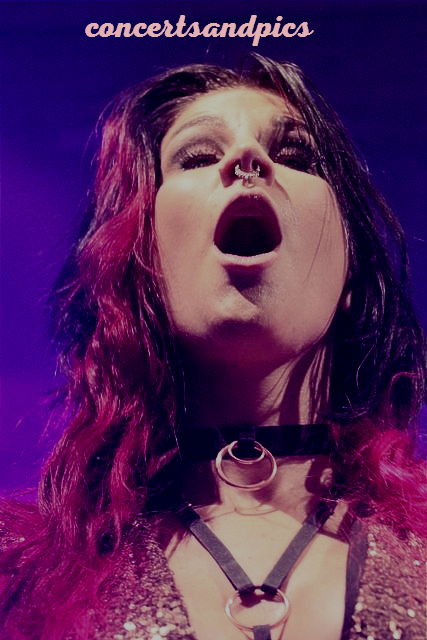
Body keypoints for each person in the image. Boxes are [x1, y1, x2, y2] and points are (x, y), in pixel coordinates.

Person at [0, 53, 426, 640]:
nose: (246, 157)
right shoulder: (19, 578)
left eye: (295, 156)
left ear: (351, 272)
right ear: (140, 262)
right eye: (198, 157)